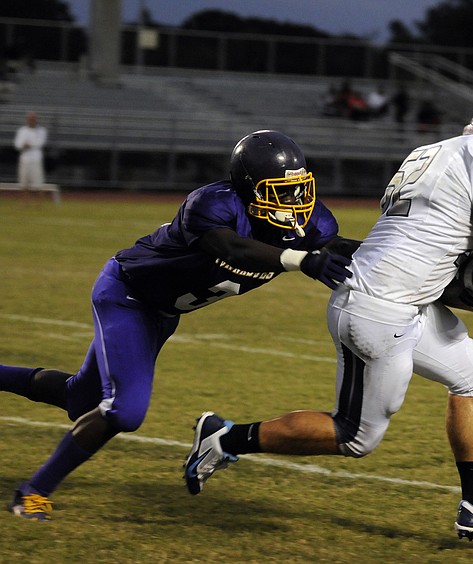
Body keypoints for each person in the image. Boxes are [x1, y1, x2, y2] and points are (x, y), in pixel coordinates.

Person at [183, 95, 473, 546]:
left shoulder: (433, 150)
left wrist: (457, 281)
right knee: (355, 436)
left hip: (398, 296)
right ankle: (223, 437)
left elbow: (419, 237)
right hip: (379, 307)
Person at [0, 130, 355, 521]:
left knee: (80, 399)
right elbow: (231, 248)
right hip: (127, 294)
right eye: (280, 192)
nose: (295, 202)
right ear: (248, 188)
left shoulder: (314, 222)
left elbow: (334, 248)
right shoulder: (213, 205)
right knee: (124, 411)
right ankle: (33, 490)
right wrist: (299, 260)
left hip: (164, 313)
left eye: (299, 190)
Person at [14, 111, 48, 192]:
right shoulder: (22, 130)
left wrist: (29, 145)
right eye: (29, 118)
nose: (31, 120)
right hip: (24, 159)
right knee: (23, 183)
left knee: (38, 183)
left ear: (36, 120)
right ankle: (24, 203)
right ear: (27, 119)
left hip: (36, 159)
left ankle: (38, 203)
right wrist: (23, 145)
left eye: (33, 119)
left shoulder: (42, 130)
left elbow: (40, 142)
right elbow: (17, 144)